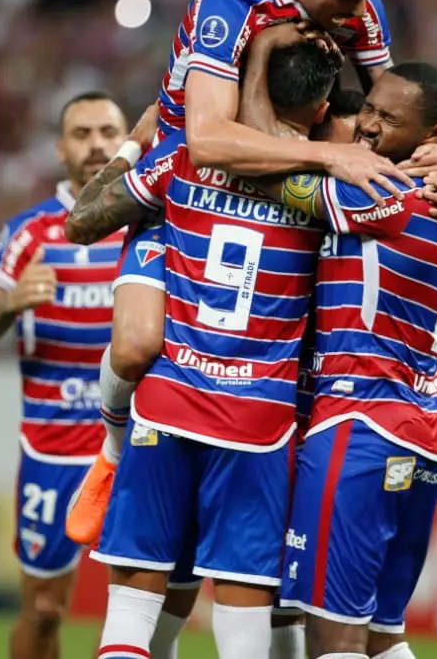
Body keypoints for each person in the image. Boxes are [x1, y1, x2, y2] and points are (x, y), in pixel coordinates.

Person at [66, 0, 437, 547]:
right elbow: (212, 140)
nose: (362, 9)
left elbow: (384, 107)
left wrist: (436, 156)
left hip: (284, 184)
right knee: (139, 345)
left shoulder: (356, 5)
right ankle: (112, 452)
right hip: (188, 186)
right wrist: (327, 154)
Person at [66, 40, 344, 659]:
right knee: (245, 632)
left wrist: (136, 142)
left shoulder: (184, 160)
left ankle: (108, 450)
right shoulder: (321, 187)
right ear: (323, 106)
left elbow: (82, 219)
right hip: (259, 422)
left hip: (167, 406)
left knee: (130, 619)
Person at [236, 54, 437, 659]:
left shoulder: (378, 195)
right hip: (424, 432)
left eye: (388, 118)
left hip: (360, 425)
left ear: (433, 136)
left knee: (335, 636)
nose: (368, 127)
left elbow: (259, 160)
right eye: (372, 109)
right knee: (385, 635)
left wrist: (253, 72)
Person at [0, 92, 189, 659]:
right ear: (61, 149)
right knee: (42, 611)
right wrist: (10, 301)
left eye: (108, 132)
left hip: (138, 443)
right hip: (53, 448)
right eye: (81, 134)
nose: (97, 145)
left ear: (128, 139)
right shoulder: (31, 232)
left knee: (142, 610)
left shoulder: (155, 221)